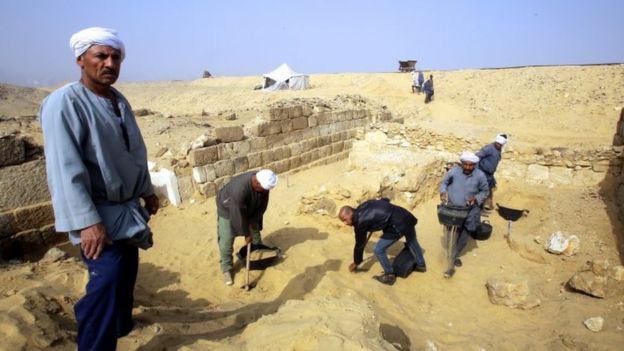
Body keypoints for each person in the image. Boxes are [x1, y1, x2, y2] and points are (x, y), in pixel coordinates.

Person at [39, 27, 159, 350]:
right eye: (101, 56)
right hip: (97, 214)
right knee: (106, 279)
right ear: (80, 59)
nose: (109, 63)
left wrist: (146, 190)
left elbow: (135, 152)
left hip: (127, 209)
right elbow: (65, 170)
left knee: (125, 274)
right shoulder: (64, 103)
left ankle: (121, 325)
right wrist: (87, 221)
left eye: (115, 56)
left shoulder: (119, 101)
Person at [338, 198, 426, 286]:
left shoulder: (360, 222)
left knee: (378, 249)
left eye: (345, 219)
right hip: (405, 216)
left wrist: (356, 262)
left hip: (397, 225)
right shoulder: (363, 205)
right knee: (412, 241)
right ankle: (421, 265)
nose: (345, 223)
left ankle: (389, 275)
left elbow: (359, 244)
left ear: (350, 213)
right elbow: (385, 200)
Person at [216, 169, 279, 285]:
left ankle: (257, 250)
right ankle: (226, 268)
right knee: (227, 239)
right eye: (265, 189)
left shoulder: (263, 180)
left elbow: (263, 206)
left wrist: (253, 220)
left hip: (249, 204)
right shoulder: (239, 190)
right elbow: (237, 216)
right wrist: (246, 234)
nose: (267, 191)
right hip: (228, 208)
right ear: (257, 184)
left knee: (254, 228)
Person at [439, 152, 489, 278]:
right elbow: (443, 183)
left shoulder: (480, 175)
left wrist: (476, 198)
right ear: (461, 164)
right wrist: (443, 192)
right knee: (451, 236)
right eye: (465, 165)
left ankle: (454, 256)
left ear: (474, 164)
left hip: (470, 212)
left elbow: (485, 191)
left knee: (463, 237)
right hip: (453, 210)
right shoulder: (454, 172)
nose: (467, 167)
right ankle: (450, 262)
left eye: (470, 165)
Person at [476, 134, 508, 210]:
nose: (498, 145)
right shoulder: (489, 148)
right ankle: (477, 208)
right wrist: (477, 171)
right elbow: (477, 156)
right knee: (481, 191)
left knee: (488, 190)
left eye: (500, 145)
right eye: (497, 144)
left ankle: (483, 207)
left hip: (490, 175)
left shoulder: (499, 150)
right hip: (482, 172)